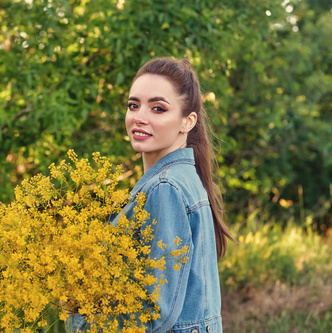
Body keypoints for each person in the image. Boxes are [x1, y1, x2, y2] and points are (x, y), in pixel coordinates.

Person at [65, 57, 233, 332]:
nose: (139, 117)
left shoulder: (165, 187)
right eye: (134, 105)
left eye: (158, 108)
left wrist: (80, 321)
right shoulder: (182, 179)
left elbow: (154, 310)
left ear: (187, 122)